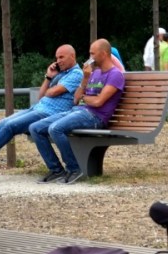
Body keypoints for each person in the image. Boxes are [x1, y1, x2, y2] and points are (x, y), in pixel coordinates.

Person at [29, 39, 126, 185]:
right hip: (78, 111)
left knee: (55, 129)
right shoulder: (94, 73)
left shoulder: (115, 75)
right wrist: (85, 78)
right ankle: (56, 170)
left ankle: (74, 168)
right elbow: (76, 99)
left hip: (95, 117)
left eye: (92, 54)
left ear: (104, 54)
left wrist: (85, 98)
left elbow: (98, 102)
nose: (90, 58)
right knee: (35, 128)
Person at [0, 45, 84, 165]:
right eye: (57, 58)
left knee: (10, 126)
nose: (58, 61)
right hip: (38, 108)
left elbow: (52, 92)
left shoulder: (77, 74)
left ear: (72, 56)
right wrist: (48, 77)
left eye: (61, 57)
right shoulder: (60, 74)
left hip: (50, 113)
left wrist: (50, 91)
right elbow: (41, 95)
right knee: (2, 123)